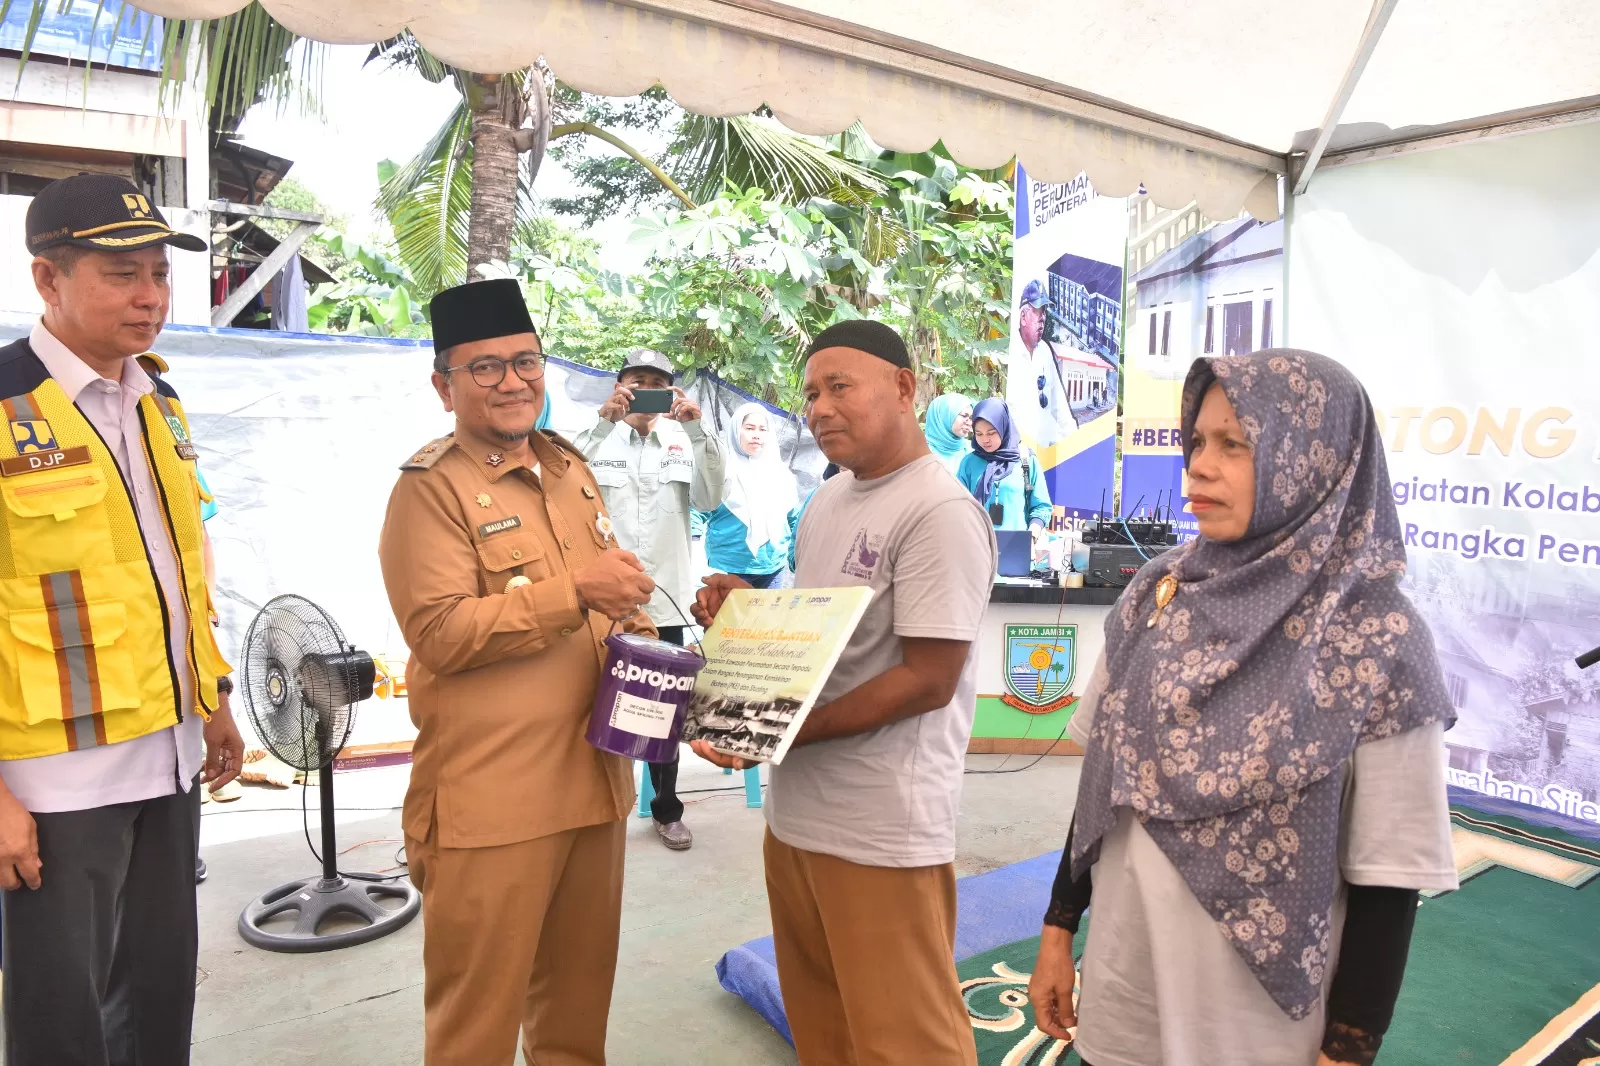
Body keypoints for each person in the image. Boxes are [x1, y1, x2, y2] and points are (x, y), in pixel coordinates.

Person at [1027, 350, 1458, 1066]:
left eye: (1237, 444)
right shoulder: (1156, 596)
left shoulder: (1376, 637)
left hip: (1255, 1020)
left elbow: (1391, 870)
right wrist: (1058, 926)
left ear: (1314, 460)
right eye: (1197, 441)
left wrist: (1350, 1047)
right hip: (1126, 977)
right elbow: (1105, 778)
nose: (1199, 465)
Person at [691, 319, 996, 1066]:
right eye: (810, 393)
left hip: (881, 828)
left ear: (903, 387)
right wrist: (749, 606)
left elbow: (928, 679)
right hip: (797, 819)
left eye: (839, 387)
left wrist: (777, 730)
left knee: (907, 1042)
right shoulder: (829, 500)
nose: (820, 408)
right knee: (823, 1029)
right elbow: (823, 626)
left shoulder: (939, 511)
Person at [377, 278, 658, 1066]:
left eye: (526, 361)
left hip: (594, 788)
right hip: (492, 802)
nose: (513, 381)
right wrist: (578, 594)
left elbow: (609, 605)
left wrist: (645, 640)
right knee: (477, 1030)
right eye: (486, 368)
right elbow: (439, 633)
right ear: (445, 387)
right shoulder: (431, 490)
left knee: (575, 1023)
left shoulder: (571, 470)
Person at [0, 174, 243, 1065]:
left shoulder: (158, 403)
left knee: (157, 999)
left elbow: (182, 576)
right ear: (47, 280)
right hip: (55, 783)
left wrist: (212, 698)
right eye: (119, 273)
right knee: (59, 1017)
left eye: (158, 274)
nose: (149, 296)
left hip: (169, 753)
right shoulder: (1, 403)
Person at [575, 347, 724, 852]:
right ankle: (592, 806)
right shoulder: (595, 436)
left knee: (662, 713)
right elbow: (561, 487)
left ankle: (667, 810)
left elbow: (710, 499)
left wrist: (700, 430)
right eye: (638, 379)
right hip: (602, 598)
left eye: (658, 381)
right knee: (584, 702)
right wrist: (601, 423)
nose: (647, 389)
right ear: (620, 385)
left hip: (666, 600)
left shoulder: (684, 441)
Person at [696, 401, 798, 588]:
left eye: (762, 429)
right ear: (736, 431)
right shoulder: (720, 471)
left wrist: (795, 553)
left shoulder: (781, 474)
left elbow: (794, 517)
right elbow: (697, 510)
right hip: (728, 567)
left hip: (772, 566)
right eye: (750, 428)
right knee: (728, 617)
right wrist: (690, 544)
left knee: (767, 617)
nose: (756, 436)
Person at [958, 397, 1052, 535]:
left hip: (1016, 548)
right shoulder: (969, 463)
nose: (985, 439)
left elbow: (1041, 507)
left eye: (991, 433)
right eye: (978, 434)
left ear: (1004, 427)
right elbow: (958, 505)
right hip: (978, 546)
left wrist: (1033, 535)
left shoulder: (1026, 460)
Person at [922, 392, 972, 476]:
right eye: (964, 416)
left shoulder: (971, 450)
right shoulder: (921, 453)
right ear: (944, 416)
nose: (969, 422)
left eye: (971, 418)